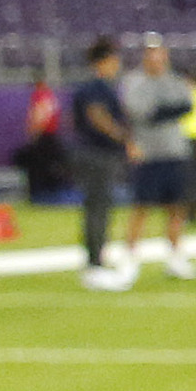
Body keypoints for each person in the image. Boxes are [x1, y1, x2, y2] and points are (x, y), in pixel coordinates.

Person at [114, 36, 196, 282]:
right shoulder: (135, 81)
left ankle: (175, 258)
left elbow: (186, 105)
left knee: (177, 207)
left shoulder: (173, 80)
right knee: (141, 207)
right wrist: (167, 109)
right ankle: (130, 259)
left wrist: (164, 110)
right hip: (148, 153)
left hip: (174, 151)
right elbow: (142, 112)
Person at [65, 38, 135, 290]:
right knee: (98, 207)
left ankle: (97, 259)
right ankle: (94, 263)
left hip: (95, 153)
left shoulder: (98, 87)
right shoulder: (95, 88)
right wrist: (124, 137)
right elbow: (97, 117)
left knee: (100, 206)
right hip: (96, 154)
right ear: (103, 61)